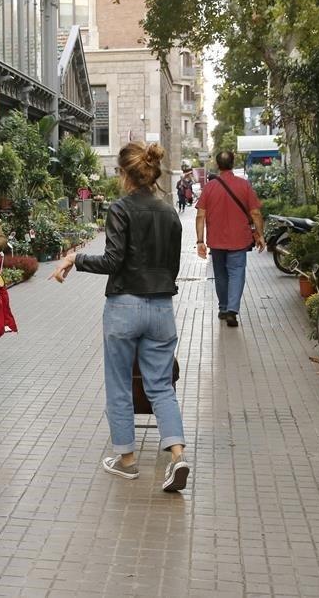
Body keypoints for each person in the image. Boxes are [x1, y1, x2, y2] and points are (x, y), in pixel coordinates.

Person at [50, 142, 190, 493]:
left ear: (125, 175)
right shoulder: (170, 212)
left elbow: (113, 261)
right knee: (160, 386)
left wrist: (75, 260)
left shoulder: (121, 209)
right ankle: (177, 455)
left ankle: (126, 460)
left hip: (125, 307)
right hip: (161, 308)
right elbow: (172, 266)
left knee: (120, 384)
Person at [195, 149, 265, 328]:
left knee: (220, 274)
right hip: (239, 240)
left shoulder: (210, 187)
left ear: (218, 165)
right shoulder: (244, 185)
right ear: (233, 163)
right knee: (236, 273)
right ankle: (232, 310)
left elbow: (200, 216)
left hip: (216, 240)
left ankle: (224, 307)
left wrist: (200, 241)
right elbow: (255, 212)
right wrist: (260, 235)